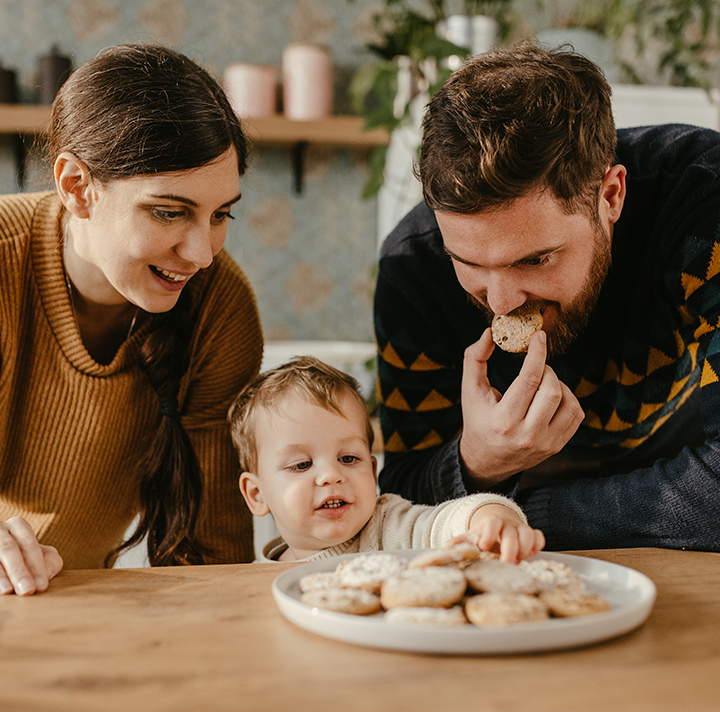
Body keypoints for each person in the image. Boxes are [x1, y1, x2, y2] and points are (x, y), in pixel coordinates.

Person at [374, 40, 720, 553]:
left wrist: (520, 517)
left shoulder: (703, 207)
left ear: (610, 196)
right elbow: (400, 493)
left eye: (534, 260)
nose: (502, 303)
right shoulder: (414, 268)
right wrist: (477, 461)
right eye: (468, 263)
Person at [0, 42, 264, 595]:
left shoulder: (221, 305)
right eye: (169, 211)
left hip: (86, 604)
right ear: (77, 187)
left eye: (220, 215)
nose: (201, 254)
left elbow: (212, 557)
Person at [228, 356, 545, 563]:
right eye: (302, 465)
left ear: (372, 468)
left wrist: (492, 520)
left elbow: (447, 520)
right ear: (257, 495)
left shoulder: (389, 529)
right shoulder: (260, 573)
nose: (331, 476)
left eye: (349, 458)